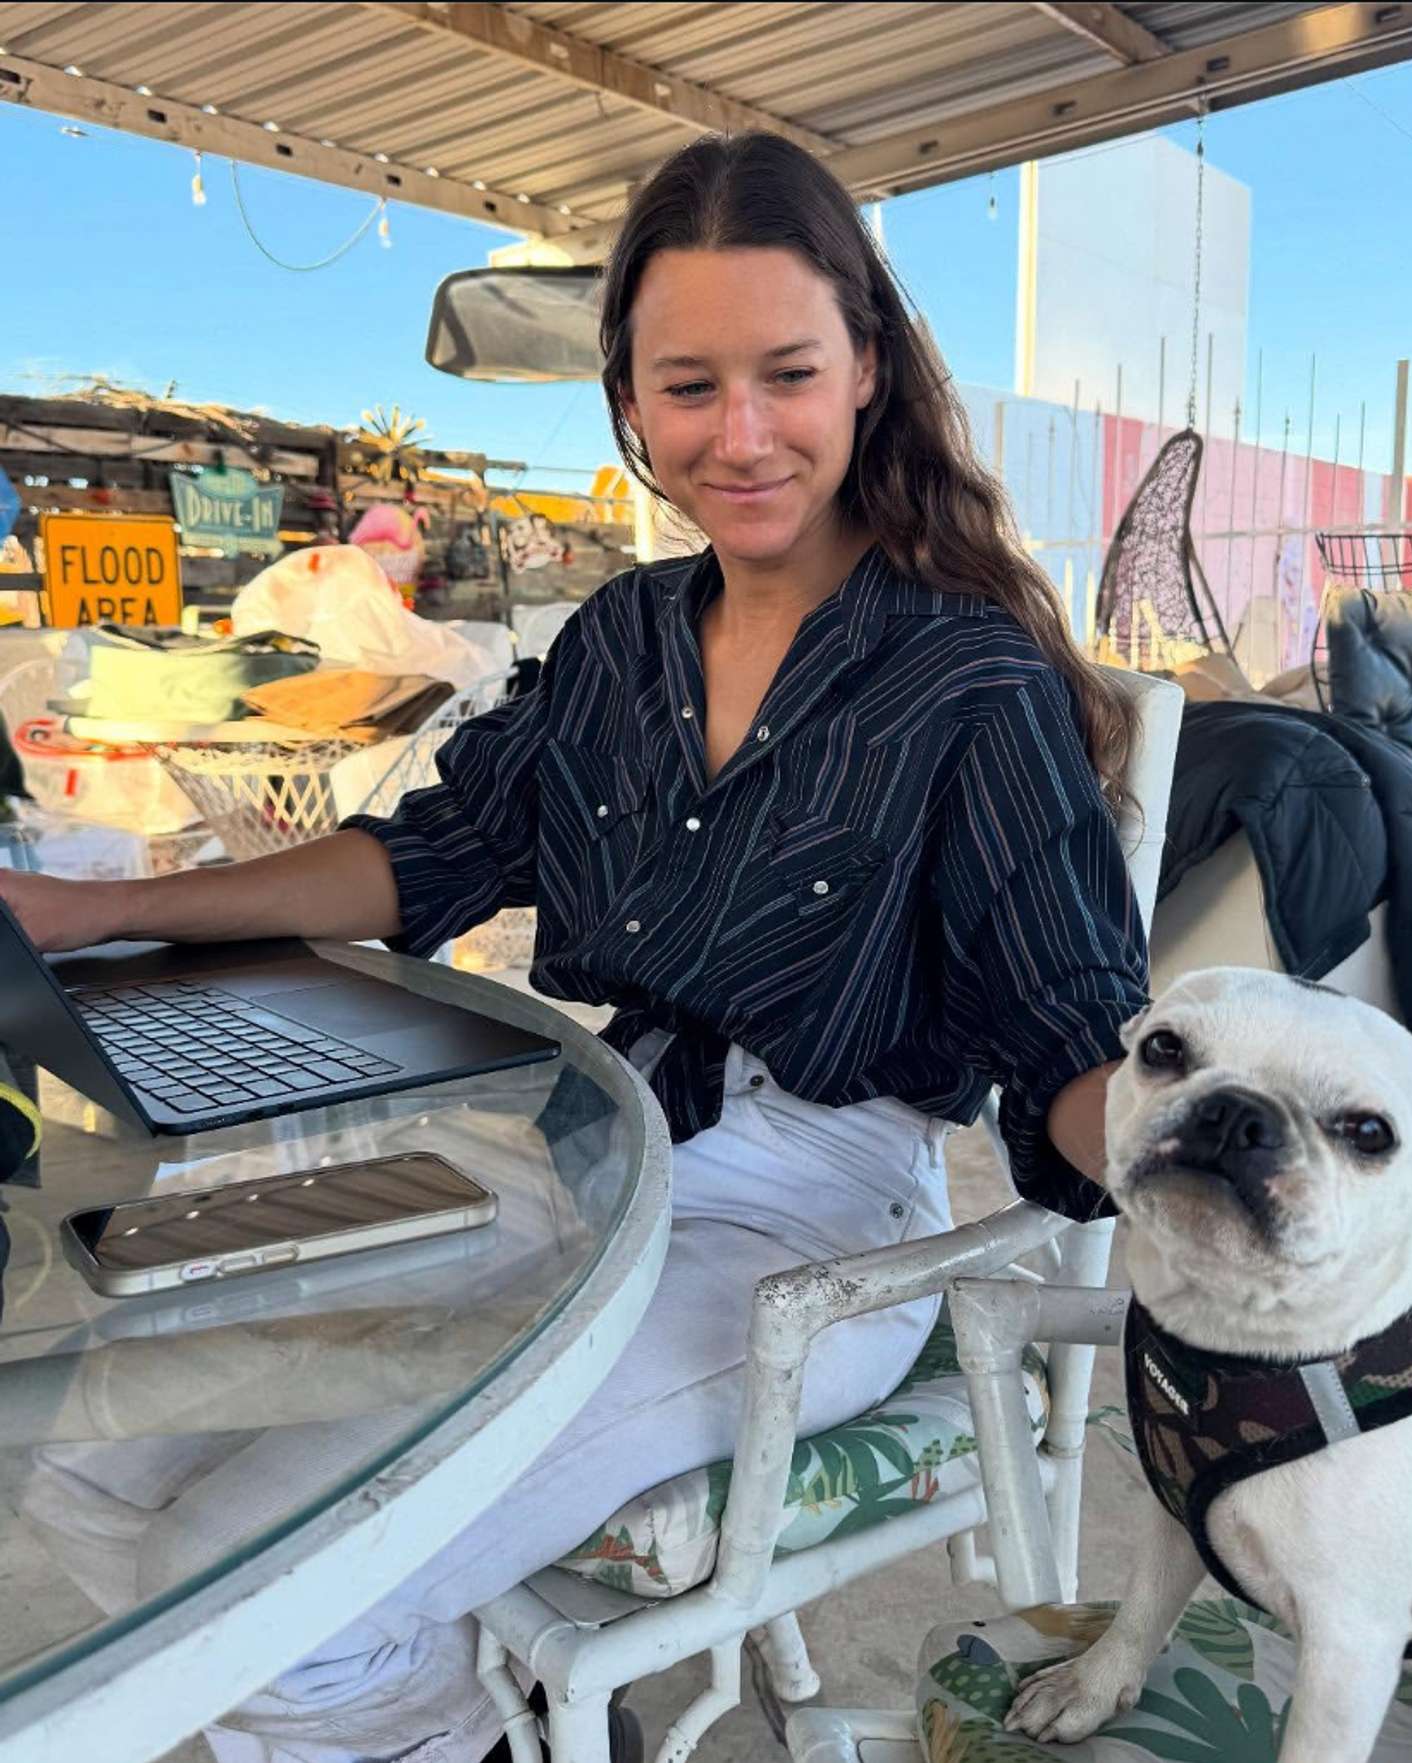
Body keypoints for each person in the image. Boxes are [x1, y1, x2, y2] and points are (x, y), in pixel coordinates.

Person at [0, 132, 1148, 1763]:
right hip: (568, 1154)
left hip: (804, 1239)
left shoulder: (968, 679)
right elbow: (426, 862)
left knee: (252, 1591)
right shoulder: (616, 640)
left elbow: (1075, 1041)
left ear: (869, 373)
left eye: (788, 376)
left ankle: (413, 1704)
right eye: (689, 387)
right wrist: (91, 912)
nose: (739, 437)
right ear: (629, 399)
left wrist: (1232, 1152)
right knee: (95, 1455)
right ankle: (443, 1707)